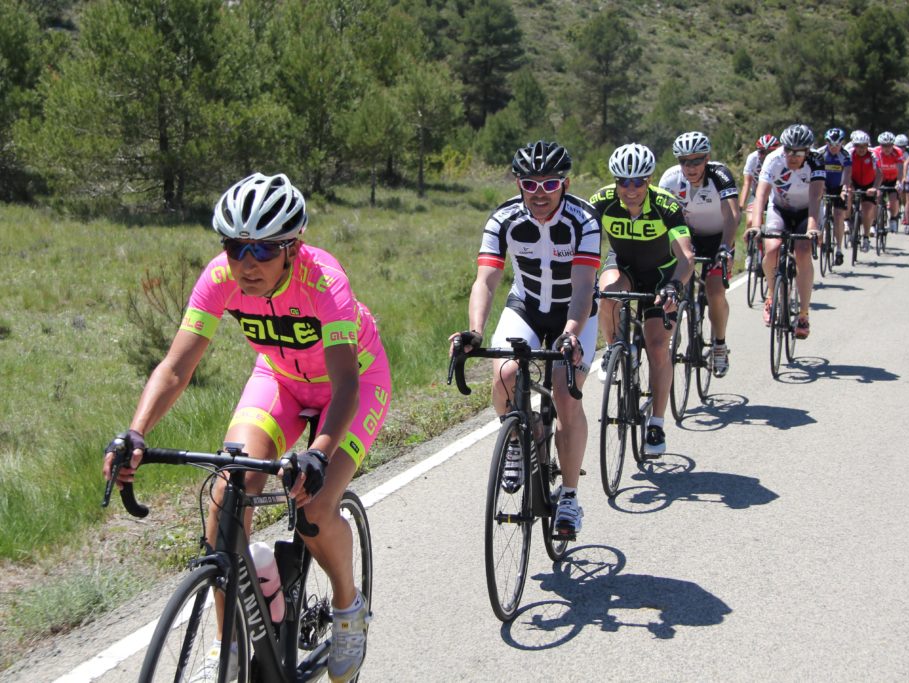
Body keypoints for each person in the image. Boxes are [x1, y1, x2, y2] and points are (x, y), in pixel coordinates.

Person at [102, 173, 388, 683]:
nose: (247, 263)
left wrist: (319, 453)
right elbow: (176, 367)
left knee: (315, 506)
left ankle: (349, 609)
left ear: (292, 247)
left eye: (263, 249)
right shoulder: (219, 278)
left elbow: (346, 384)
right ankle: (228, 643)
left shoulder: (324, 280)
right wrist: (136, 432)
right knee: (227, 492)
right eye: (235, 247)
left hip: (354, 384)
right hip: (281, 381)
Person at [450, 141, 599, 538]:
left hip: (575, 311)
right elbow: (486, 280)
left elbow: (585, 286)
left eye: (549, 183)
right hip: (527, 306)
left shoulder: (584, 218)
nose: (540, 192)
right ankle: (519, 435)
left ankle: (569, 497)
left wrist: (570, 335)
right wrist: (475, 331)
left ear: (565, 183)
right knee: (505, 375)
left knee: (565, 394)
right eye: (530, 184)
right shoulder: (504, 218)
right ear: (519, 184)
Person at [592, 143, 694, 454]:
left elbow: (686, 256)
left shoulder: (666, 205)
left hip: (661, 276)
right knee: (607, 294)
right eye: (623, 182)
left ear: (649, 180)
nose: (631, 189)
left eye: (638, 181)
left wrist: (675, 286)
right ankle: (615, 348)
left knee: (658, 346)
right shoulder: (602, 201)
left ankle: (657, 424)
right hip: (623, 266)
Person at [658, 131, 740, 377]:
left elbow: (732, 215)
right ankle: (672, 329)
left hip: (718, 239)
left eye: (696, 160)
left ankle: (719, 344)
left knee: (714, 291)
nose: (690, 167)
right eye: (684, 161)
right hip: (687, 237)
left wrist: (725, 248)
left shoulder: (720, 175)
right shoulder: (670, 179)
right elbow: (660, 218)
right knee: (670, 284)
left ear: (707, 158)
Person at [746, 124, 824, 339]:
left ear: (807, 151)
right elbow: (761, 194)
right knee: (772, 250)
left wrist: (812, 228)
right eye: (789, 150)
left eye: (798, 153)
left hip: (807, 211)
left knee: (803, 251)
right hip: (780, 208)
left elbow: (815, 196)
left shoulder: (816, 160)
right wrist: (756, 225)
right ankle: (772, 296)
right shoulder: (774, 159)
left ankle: (803, 314)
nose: (792, 156)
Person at [815, 127, 852, 266]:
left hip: (838, 187)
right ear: (826, 142)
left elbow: (847, 174)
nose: (834, 147)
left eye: (837, 144)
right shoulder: (820, 153)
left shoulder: (845, 155)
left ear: (842, 143)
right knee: (820, 211)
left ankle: (839, 249)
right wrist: (820, 186)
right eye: (831, 144)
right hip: (823, 184)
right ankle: (821, 234)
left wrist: (845, 188)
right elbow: (815, 171)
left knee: (838, 215)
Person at [848, 130, 882, 252]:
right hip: (854, 182)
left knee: (867, 211)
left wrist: (875, 188)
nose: (861, 149)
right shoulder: (850, 154)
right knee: (847, 194)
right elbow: (845, 172)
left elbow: (880, 174)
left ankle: (866, 237)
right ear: (854, 146)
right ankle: (848, 220)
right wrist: (848, 185)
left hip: (869, 184)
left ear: (868, 145)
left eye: (864, 146)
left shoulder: (873, 155)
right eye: (858, 146)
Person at [739, 134, 781, 225]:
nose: (765, 156)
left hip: (775, 196)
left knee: (775, 225)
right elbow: (747, 183)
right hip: (757, 194)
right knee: (751, 222)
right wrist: (740, 206)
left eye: (769, 152)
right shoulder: (752, 158)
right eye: (762, 152)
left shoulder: (781, 159)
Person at [872, 131, 905, 234]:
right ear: (880, 145)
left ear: (893, 145)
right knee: (876, 198)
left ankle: (893, 219)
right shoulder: (875, 152)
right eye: (884, 146)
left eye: (889, 145)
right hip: (879, 179)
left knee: (894, 200)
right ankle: (873, 223)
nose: (887, 148)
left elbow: (900, 169)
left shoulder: (898, 152)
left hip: (892, 179)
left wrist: (899, 182)